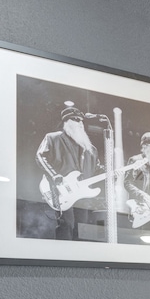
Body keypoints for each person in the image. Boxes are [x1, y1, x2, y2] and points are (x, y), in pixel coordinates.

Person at [34, 102, 104, 240]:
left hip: (82, 195)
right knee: (66, 225)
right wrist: (54, 175)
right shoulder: (53, 138)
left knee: (83, 230)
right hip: (61, 191)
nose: (80, 123)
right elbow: (40, 156)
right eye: (76, 119)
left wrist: (114, 173)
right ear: (66, 122)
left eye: (81, 120)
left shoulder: (91, 149)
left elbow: (96, 169)